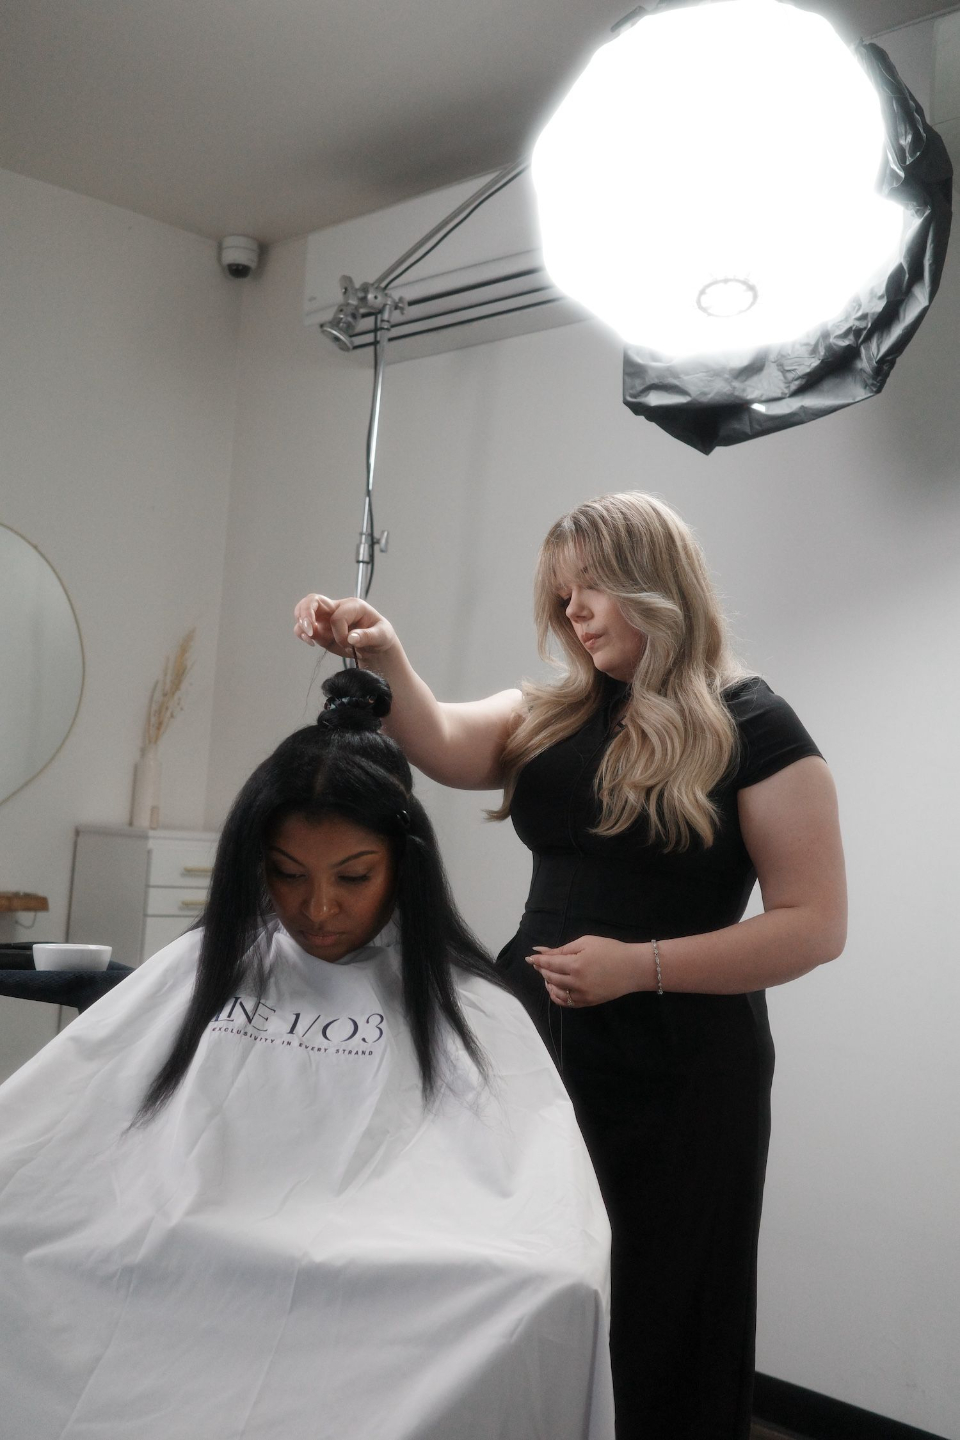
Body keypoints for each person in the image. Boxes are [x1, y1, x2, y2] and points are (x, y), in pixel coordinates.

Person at [294, 491, 847, 1440]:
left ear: (656, 584)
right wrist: (385, 657)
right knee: (525, 1282)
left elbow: (814, 925)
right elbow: (441, 740)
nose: (573, 611)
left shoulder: (754, 724)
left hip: (679, 1068)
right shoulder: (556, 710)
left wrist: (640, 967)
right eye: (561, 593)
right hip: (536, 1052)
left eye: (592, 587)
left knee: (662, 1301)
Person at [0, 669, 614, 1440]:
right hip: (186, 1238)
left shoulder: (473, 1007)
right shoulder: (205, 969)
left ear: (404, 864)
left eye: (353, 876)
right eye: (287, 874)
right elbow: (50, 1132)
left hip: (378, 1269)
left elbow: (544, 1224)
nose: (318, 909)